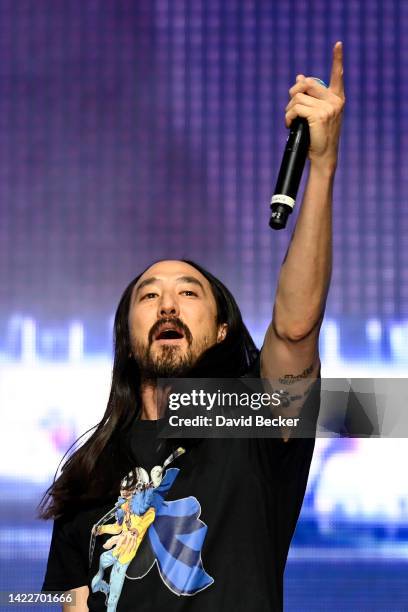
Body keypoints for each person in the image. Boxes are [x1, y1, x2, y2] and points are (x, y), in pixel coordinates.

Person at [40, 42, 345, 611]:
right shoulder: (89, 470)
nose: (167, 304)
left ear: (224, 328)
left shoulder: (244, 420)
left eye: (189, 292)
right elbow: (44, 599)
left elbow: (296, 329)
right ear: (128, 336)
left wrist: (321, 168)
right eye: (148, 295)